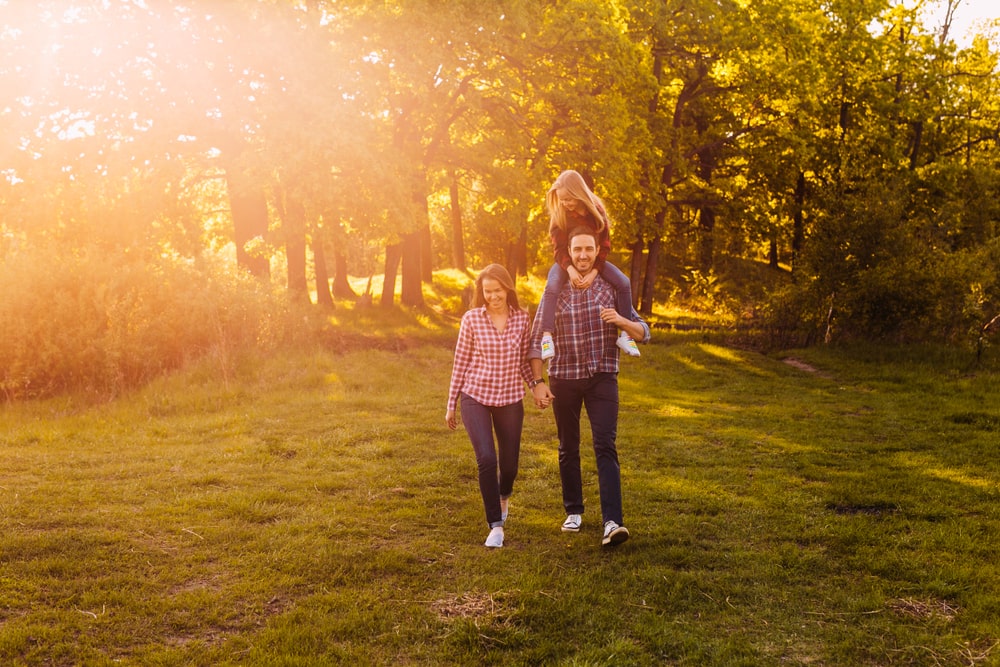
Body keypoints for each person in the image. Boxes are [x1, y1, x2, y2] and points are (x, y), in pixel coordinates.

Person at [528, 227, 651, 547]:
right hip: (565, 378)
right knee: (568, 446)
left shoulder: (611, 286)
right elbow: (534, 340)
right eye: (577, 250)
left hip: (602, 377)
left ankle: (613, 522)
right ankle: (574, 510)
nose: (583, 255)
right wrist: (538, 382)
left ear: (598, 251)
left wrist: (621, 321)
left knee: (605, 446)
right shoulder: (555, 290)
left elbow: (643, 333)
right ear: (568, 252)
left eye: (588, 249)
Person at [446, 264, 540, 548]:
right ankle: (495, 526)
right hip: (475, 396)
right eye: (487, 292)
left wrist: (536, 386)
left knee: (509, 466)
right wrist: (451, 403)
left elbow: (524, 361)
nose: (493, 296)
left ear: (507, 289)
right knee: (487, 459)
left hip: (510, 398)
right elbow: (460, 362)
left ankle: (503, 496)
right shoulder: (472, 319)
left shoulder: (522, 319)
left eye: (497, 290)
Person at [538, 169, 640, 362]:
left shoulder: (596, 211)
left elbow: (604, 247)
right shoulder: (560, 214)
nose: (565, 203)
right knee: (551, 287)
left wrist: (594, 272)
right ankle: (546, 337)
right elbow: (559, 249)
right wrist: (569, 269)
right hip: (565, 262)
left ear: (578, 193)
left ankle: (626, 335)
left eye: (569, 199)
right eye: (562, 199)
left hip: (595, 261)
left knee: (624, 282)